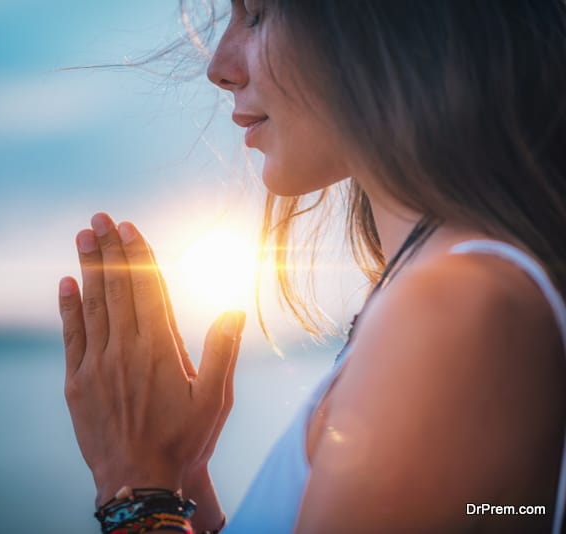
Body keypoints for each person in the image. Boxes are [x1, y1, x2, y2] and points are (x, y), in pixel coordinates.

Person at [57, 1, 566, 532]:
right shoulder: (436, 299)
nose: (219, 66)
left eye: (255, 14)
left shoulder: (456, 311)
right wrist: (181, 482)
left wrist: (135, 489)